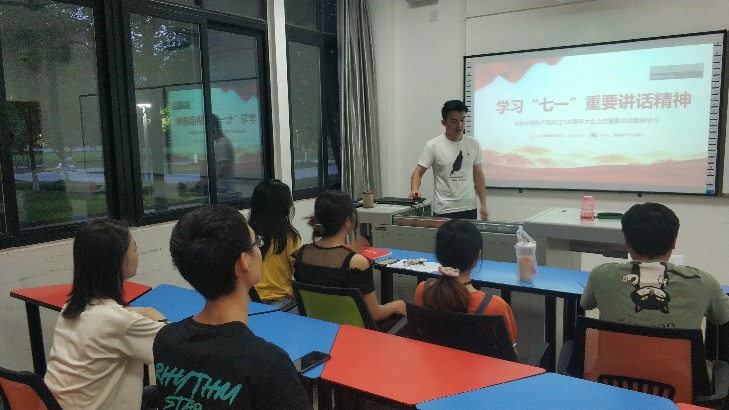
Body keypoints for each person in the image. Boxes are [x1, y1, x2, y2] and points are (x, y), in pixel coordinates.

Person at [157, 204, 311, 409]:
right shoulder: (268, 363)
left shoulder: (165, 340)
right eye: (256, 242)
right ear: (243, 261)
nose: (259, 249)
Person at [45, 218, 167, 410]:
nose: (137, 253)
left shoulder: (71, 307)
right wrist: (155, 315)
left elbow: (110, 319)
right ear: (119, 260)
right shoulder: (120, 322)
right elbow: (174, 345)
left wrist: (140, 311)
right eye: (134, 248)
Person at [581, 202, 729, 329]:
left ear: (626, 242)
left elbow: (586, 304)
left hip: (613, 356)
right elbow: (722, 317)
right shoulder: (704, 282)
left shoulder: (600, 275)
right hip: (675, 356)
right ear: (674, 243)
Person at [294, 190, 407, 328]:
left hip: (317, 329)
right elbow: (374, 313)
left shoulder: (302, 253)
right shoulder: (356, 262)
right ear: (348, 221)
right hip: (353, 334)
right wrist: (396, 305)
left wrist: (353, 254)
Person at [414, 219, 517, 344]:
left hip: (432, 357)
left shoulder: (423, 290)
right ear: (477, 257)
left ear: (438, 254)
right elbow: (508, 349)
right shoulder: (495, 306)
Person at [409, 100, 488, 220]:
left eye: (462, 120)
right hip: (444, 209)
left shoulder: (473, 144)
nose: (459, 125)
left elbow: (478, 175)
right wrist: (415, 190)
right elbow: (418, 172)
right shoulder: (433, 145)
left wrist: (483, 204)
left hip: (469, 207)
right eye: (454, 121)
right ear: (444, 122)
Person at [249, 179, 301, 308]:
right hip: (280, 301)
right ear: (285, 206)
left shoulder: (245, 233)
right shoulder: (289, 236)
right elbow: (300, 274)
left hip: (249, 301)